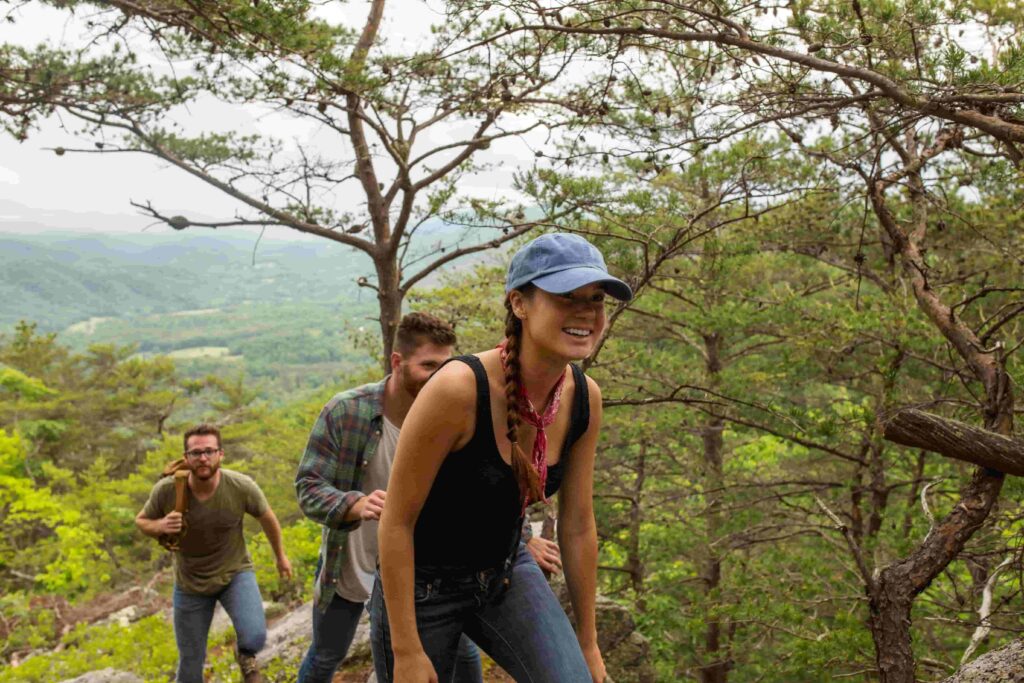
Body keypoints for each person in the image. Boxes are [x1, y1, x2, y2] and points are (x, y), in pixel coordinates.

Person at [373, 233, 632, 683]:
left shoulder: (584, 398)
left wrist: (588, 644)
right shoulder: (458, 389)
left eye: (595, 299)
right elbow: (396, 520)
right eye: (565, 297)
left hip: (507, 572)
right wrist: (406, 649)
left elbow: (578, 523)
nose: (587, 312)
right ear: (519, 303)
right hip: (423, 585)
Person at [297, 313, 514, 682]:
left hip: (425, 574)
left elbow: (487, 496)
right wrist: (354, 504)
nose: (440, 376)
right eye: (428, 365)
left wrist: (521, 542)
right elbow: (308, 486)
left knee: (463, 656)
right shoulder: (348, 411)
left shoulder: (459, 416)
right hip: (351, 566)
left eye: (447, 366)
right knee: (325, 655)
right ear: (397, 362)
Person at [136, 423, 292, 683]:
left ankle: (244, 658)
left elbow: (268, 518)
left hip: (235, 574)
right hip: (190, 584)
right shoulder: (168, 491)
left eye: (209, 451)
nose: (203, 458)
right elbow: (141, 521)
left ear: (221, 454)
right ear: (186, 458)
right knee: (190, 665)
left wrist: (281, 556)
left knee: (254, 636)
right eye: (196, 453)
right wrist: (160, 526)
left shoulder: (240, 486)